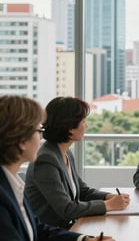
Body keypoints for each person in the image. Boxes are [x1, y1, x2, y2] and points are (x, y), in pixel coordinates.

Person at [0, 95, 117, 241]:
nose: (41, 138)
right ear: (22, 141)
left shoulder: (11, 184)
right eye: (38, 131)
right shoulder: (3, 193)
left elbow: (38, 231)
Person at [25, 96, 130, 229]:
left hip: (72, 226)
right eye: (83, 121)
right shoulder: (45, 159)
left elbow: (83, 191)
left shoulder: (65, 153)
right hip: (52, 235)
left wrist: (110, 197)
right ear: (70, 127)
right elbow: (67, 209)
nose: (86, 125)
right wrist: (109, 205)